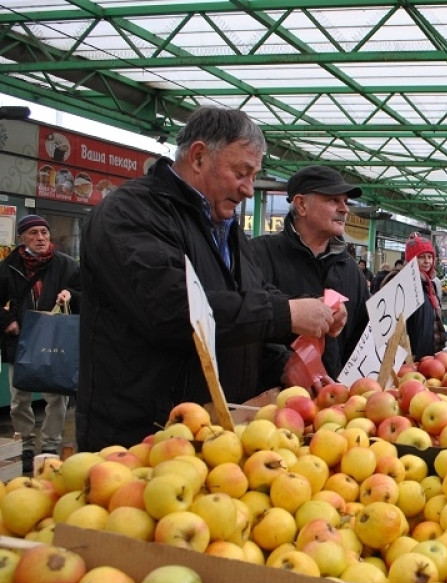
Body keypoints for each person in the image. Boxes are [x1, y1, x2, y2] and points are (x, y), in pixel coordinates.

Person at [76, 106, 341, 450]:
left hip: (214, 436)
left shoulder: (227, 228)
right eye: (241, 172)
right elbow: (171, 310)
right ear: (199, 157)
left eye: (253, 174)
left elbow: (243, 311)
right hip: (146, 437)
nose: (248, 189)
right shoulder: (130, 214)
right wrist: (287, 314)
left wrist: (285, 360)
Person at [250, 165, 370, 381]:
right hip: (271, 402)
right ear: (301, 204)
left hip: (336, 405)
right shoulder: (258, 255)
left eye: (346, 201)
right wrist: (283, 366)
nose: (345, 209)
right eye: (334, 200)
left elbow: (362, 338)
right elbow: (245, 329)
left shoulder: (350, 270)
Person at [0, 215, 81, 471]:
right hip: (20, 341)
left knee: (57, 398)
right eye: (33, 233)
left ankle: (49, 445)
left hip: (55, 342)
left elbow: (87, 294)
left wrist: (72, 295)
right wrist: (6, 321)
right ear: (22, 238)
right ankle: (25, 443)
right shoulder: (7, 267)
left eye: (44, 232)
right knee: (19, 399)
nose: (41, 238)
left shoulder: (66, 265)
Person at [401, 233, 446, 359]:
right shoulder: (405, 283)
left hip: (430, 353)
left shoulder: (430, 284)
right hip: (414, 355)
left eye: (430, 257)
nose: (427, 261)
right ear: (412, 259)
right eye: (421, 257)